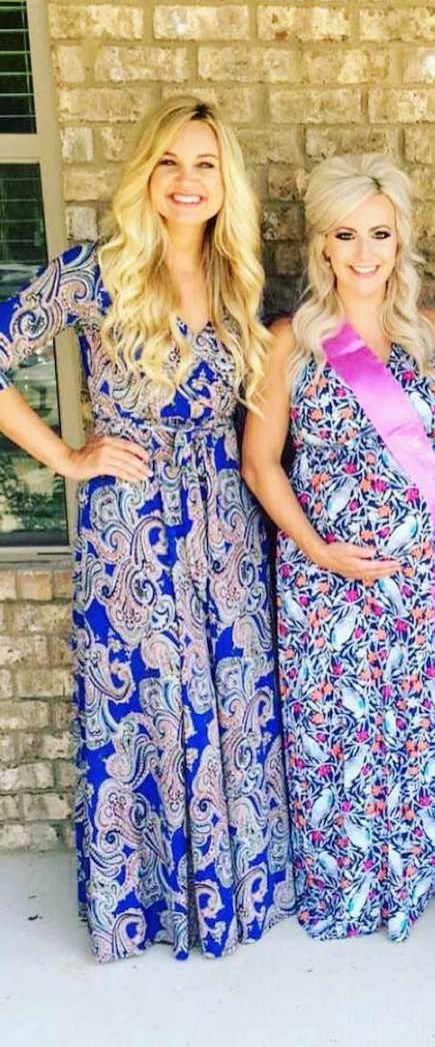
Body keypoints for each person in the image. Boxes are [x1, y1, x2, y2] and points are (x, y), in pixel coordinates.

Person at [0, 97, 295, 961]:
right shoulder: (98, 273)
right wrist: (66, 455)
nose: (187, 181)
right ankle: (152, 907)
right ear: (147, 173)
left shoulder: (243, 280)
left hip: (228, 524)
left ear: (223, 179)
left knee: (230, 703)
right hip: (131, 526)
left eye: (204, 163)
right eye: (170, 161)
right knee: (149, 707)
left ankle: (230, 892)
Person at [242, 152, 435, 942]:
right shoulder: (293, 341)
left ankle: (405, 882)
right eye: (347, 235)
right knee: (333, 736)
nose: (365, 253)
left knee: (407, 731)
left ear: (402, 238)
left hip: (419, 585)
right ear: (322, 246)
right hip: (324, 583)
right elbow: (259, 462)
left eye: (380, 233)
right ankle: (343, 893)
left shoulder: (434, 334)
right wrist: (319, 549)